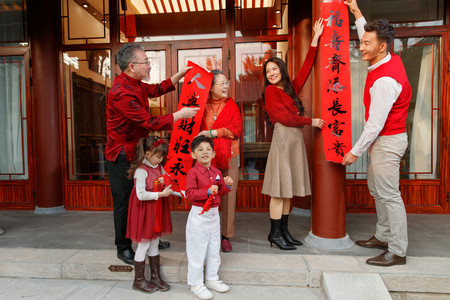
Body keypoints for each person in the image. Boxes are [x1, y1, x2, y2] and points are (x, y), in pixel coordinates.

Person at [105, 42, 199, 265]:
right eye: (145, 62)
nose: (149, 66)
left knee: (147, 196)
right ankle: (123, 246)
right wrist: (180, 115)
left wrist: (179, 75)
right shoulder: (121, 92)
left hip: (138, 152)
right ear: (130, 66)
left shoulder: (135, 83)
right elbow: (149, 122)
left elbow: (156, 89)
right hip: (121, 154)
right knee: (125, 202)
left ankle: (148, 238)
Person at [342, 0, 411, 267]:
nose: (361, 46)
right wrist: (357, 13)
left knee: (389, 194)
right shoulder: (387, 57)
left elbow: (374, 124)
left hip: (387, 140)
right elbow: (366, 35)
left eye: (366, 43)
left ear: (382, 46)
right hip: (384, 141)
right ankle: (383, 236)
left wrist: (354, 152)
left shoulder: (385, 80)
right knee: (378, 190)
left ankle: (398, 250)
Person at [261, 19, 326, 250]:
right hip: (283, 139)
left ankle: (284, 232)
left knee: (287, 191)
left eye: (274, 69)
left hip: (294, 140)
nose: (271, 73)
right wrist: (311, 121)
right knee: (279, 191)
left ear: (281, 70)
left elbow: (306, 69)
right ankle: (274, 234)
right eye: (267, 71)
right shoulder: (270, 92)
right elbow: (286, 118)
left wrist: (315, 40)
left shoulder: (288, 89)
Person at [126, 136, 181, 293]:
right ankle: (138, 280)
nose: (161, 159)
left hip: (155, 210)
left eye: (163, 156)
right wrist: (160, 195)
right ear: (148, 154)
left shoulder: (158, 167)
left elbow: (168, 183)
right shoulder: (141, 171)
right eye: (159, 156)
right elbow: (140, 195)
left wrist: (185, 193)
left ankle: (155, 277)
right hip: (144, 211)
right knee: (143, 245)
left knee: (155, 242)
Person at [197, 69, 243, 252]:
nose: (226, 86)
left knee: (229, 195)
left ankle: (226, 235)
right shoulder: (201, 105)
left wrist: (212, 133)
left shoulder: (232, 105)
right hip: (207, 158)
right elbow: (194, 130)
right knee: (207, 194)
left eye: (227, 82)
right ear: (211, 87)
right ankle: (207, 234)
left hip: (230, 155)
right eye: (222, 83)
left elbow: (236, 129)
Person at [185, 136, 233, 300]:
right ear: (193, 155)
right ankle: (196, 284)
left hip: (214, 215)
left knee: (214, 249)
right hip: (199, 215)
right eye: (200, 149)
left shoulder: (217, 172)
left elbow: (220, 192)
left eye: (208, 149)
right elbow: (190, 194)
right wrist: (206, 191)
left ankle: (212, 278)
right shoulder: (193, 172)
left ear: (213, 154)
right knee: (197, 251)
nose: (204, 152)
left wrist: (227, 185)